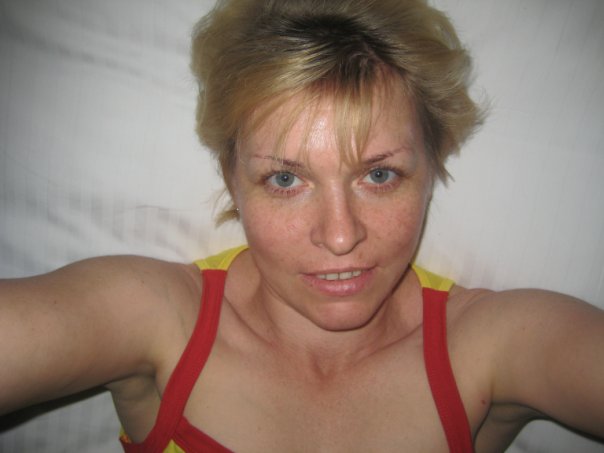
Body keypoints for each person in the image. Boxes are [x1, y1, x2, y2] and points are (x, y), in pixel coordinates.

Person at [1, 0, 603, 452]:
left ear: (432, 167)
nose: (340, 237)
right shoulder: (154, 318)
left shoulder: (490, 348)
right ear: (231, 176)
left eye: (380, 175)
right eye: (286, 179)